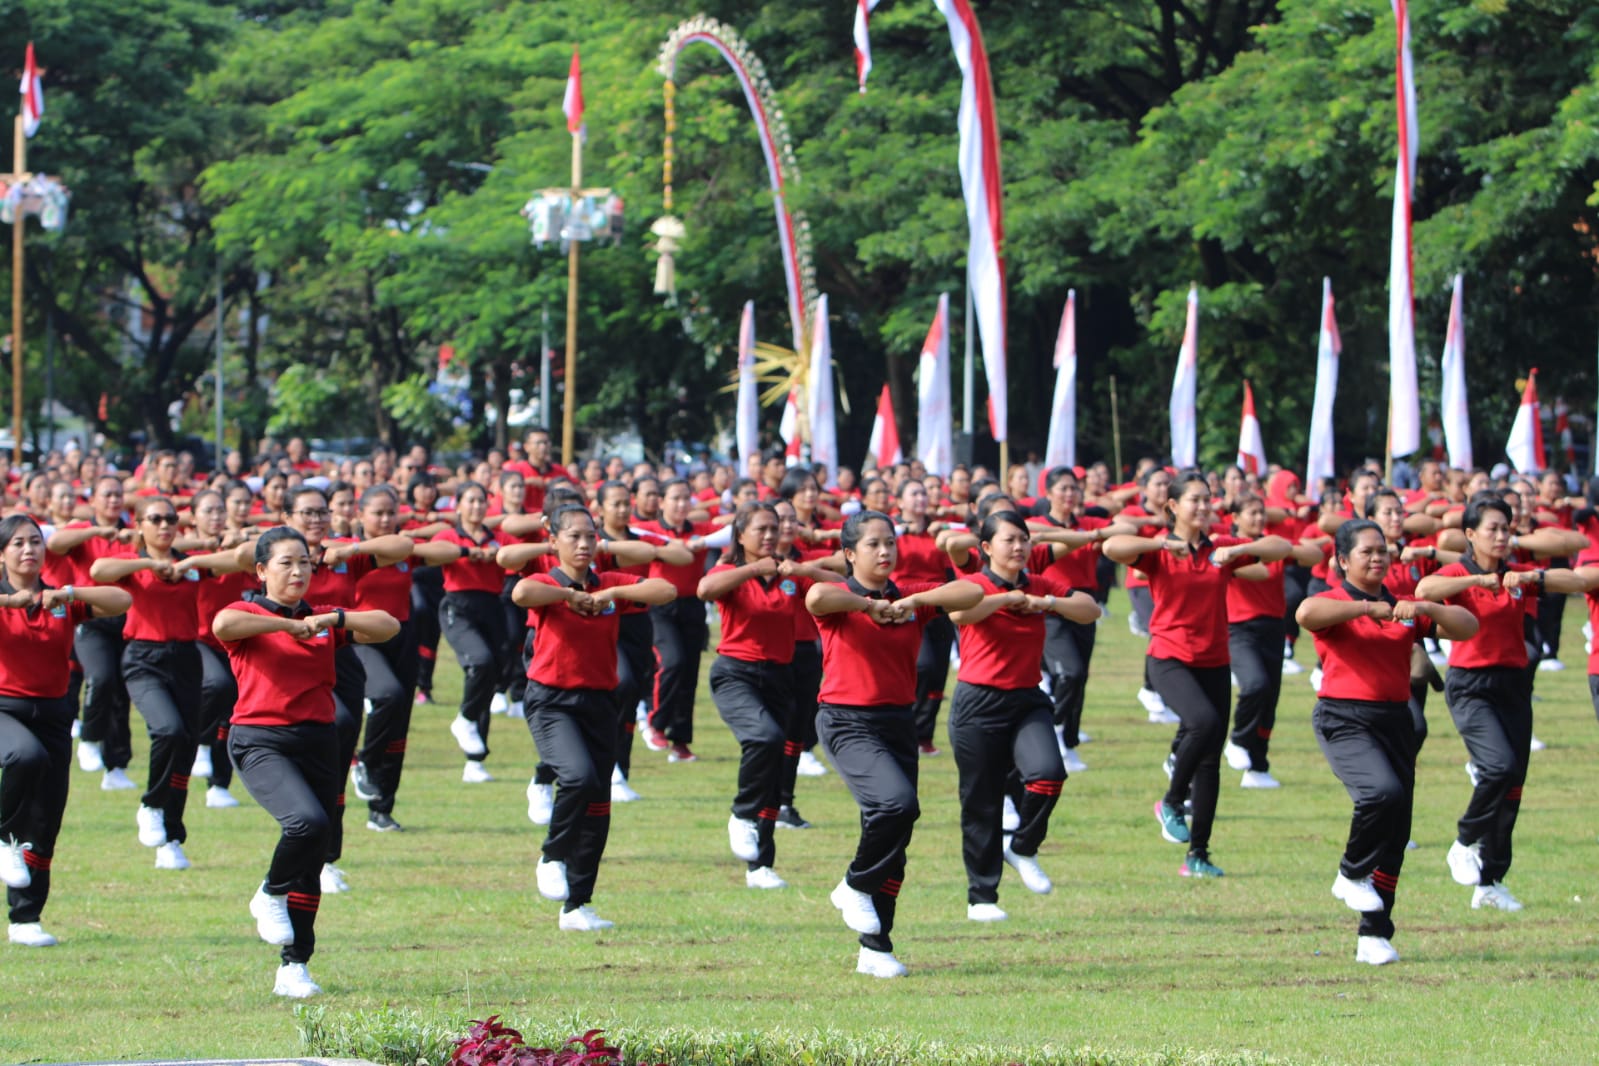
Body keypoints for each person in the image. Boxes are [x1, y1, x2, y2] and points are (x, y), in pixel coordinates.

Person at [214, 526, 398, 997]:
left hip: (318, 741)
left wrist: (332, 618)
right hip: (260, 741)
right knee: (307, 823)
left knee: (314, 853)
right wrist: (285, 627)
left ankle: (294, 965)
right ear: (261, 570)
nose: (298, 571)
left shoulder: (321, 619)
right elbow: (223, 626)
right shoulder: (249, 614)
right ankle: (270, 891)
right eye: (286, 563)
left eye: (304, 563)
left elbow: (388, 626)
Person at [807, 509, 981, 977]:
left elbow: (972, 591)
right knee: (897, 805)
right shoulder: (842, 597)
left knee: (895, 838)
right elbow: (817, 596)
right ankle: (853, 885)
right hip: (847, 721)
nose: (885, 551)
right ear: (849, 553)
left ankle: (875, 949)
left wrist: (911, 602)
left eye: (890, 542)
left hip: (898, 722)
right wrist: (867, 607)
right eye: (873, 544)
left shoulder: (909, 597)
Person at [1299, 519, 1477, 964]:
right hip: (1344, 718)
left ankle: (1373, 935)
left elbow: (1467, 627)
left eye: (1382, 550)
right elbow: (1305, 614)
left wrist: (1428, 608)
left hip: (1395, 721)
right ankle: (1350, 872)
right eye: (1367, 551)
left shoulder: (1402, 607)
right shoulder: (1337, 602)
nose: (1378, 557)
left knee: (1397, 832)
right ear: (1343, 560)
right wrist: (1366, 610)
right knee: (1381, 793)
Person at [1104, 470, 1291, 878]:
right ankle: (1172, 801)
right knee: (1203, 723)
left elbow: (1283, 548)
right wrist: (1160, 543)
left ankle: (1198, 855)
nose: (1204, 506)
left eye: (1208, 499)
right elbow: (1112, 547)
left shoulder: (1220, 547)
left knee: (1210, 760)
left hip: (1214, 659)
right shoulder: (1159, 550)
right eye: (1195, 500)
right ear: (1173, 506)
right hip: (1168, 657)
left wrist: (1242, 548)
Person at [1416, 494, 1585, 911]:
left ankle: (1490, 881)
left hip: (1513, 685)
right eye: (1492, 528)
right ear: (1470, 535)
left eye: (1506, 529)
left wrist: (1533, 578)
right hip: (1471, 686)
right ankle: (1464, 841)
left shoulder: (1515, 574)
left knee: (1512, 786)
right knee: (1500, 767)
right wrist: (1476, 583)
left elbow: (1575, 582)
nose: (1501, 536)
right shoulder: (1459, 572)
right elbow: (1425, 589)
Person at [513, 505, 673, 930]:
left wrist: (613, 594)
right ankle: (552, 855)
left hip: (601, 703)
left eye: (590, 537)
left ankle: (577, 905)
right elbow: (521, 593)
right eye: (574, 537)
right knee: (578, 777)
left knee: (599, 805)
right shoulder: (548, 583)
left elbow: (666, 590)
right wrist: (569, 597)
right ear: (553, 542)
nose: (584, 544)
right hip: (552, 702)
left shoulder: (610, 584)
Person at [946, 510, 1100, 920]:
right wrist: (1004, 600)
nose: (1018, 547)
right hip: (977, 703)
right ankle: (982, 897)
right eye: (1009, 540)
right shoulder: (974, 584)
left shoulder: (1039, 584)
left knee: (1049, 775)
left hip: (1027, 699)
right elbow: (959, 614)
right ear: (986, 547)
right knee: (981, 802)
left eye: (1024, 539)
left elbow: (1089, 608)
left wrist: (1047, 603)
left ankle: (1023, 846)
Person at [1, 515, 131, 947]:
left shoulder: (59, 598)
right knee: (25, 756)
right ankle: (3, 838)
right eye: (18, 543)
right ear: (2, 554)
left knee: (46, 819)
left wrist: (70, 592)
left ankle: (25, 918)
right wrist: (9, 602)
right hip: (4, 709)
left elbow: (121, 600)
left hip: (55, 714)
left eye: (35, 542)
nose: (28, 549)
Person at [698, 503, 837, 889]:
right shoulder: (731, 572)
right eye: (761, 529)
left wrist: (805, 571)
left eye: (774, 529)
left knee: (775, 769)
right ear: (740, 534)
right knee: (765, 738)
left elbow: (839, 584)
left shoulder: (789, 575)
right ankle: (742, 814)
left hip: (781, 676)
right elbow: (704, 589)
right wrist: (753, 569)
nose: (770, 535)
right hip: (736, 674)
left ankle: (760, 865)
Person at [89, 498, 208, 871]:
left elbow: (240, 558)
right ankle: (151, 804)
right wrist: (149, 564)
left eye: (171, 518)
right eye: (155, 519)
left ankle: (171, 838)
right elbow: (98, 569)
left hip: (186, 658)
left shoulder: (189, 565)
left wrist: (186, 563)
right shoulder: (132, 564)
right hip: (144, 659)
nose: (165, 525)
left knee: (185, 748)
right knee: (168, 731)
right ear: (140, 525)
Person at [348, 486, 461, 831]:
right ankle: (363, 762)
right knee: (388, 695)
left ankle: (382, 810)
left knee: (398, 729)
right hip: (362, 638)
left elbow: (451, 549)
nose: (385, 519)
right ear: (360, 515)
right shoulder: (347, 551)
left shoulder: (403, 550)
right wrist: (368, 547)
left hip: (402, 637)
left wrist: (406, 541)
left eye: (390, 513)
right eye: (377, 513)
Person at [1222, 495, 1325, 788]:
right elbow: (1258, 571)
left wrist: (1283, 548)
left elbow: (1314, 556)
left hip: (1273, 627)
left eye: (1261, 513)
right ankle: (1238, 739)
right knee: (1255, 685)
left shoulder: (1273, 545)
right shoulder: (1226, 546)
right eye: (1251, 513)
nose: (1258, 518)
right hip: (1238, 629)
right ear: (1235, 518)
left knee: (1270, 701)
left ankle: (1257, 767)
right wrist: (1248, 553)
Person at [47, 476, 137, 789]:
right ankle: (89, 737)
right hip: (90, 619)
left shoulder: (132, 531)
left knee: (121, 692)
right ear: (93, 500)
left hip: (127, 619)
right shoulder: (82, 530)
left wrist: (135, 538)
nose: (113, 500)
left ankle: (116, 765)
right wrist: (96, 531)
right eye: (107, 494)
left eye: (118, 495)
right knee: (101, 677)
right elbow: (55, 544)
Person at [432, 481, 510, 783]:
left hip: (493, 607)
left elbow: (517, 555)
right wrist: (466, 552)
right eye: (471, 500)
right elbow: (430, 552)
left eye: (481, 501)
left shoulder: (498, 538)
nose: (477, 506)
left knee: (488, 679)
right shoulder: (448, 535)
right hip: (459, 607)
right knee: (481, 662)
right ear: (458, 505)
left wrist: (498, 555)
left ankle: (475, 761)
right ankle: (465, 719)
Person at [637, 478, 716, 762]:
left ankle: (680, 740)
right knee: (672, 661)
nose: (682, 504)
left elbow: (733, 528)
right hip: (660, 606)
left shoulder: (701, 531)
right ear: (661, 502)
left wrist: (703, 541)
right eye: (675, 498)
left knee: (690, 674)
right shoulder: (650, 530)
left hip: (692, 606)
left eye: (686, 499)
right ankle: (655, 722)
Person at [890, 478, 958, 755]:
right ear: (900, 501)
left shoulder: (939, 532)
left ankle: (924, 736)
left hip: (938, 604)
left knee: (938, 674)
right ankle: (907, 728)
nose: (921, 498)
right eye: (914, 493)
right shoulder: (891, 532)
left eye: (923, 493)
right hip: (907, 605)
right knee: (923, 666)